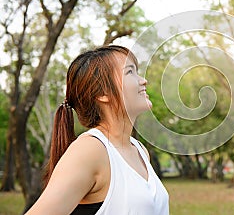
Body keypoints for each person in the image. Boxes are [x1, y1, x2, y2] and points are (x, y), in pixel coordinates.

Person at [26, 45, 169, 215]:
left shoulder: (140, 150)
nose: (143, 80)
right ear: (103, 93)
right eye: (130, 72)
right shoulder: (90, 150)